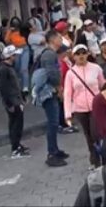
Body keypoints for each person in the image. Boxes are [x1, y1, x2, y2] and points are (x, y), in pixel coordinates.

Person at [64, 44, 105, 168]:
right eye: (78, 54)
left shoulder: (96, 68)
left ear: (87, 54)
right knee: (88, 136)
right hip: (80, 109)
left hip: (95, 106)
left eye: (83, 53)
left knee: (95, 133)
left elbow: (102, 85)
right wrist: (68, 114)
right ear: (74, 56)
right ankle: (94, 160)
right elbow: (67, 93)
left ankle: (104, 157)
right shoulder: (70, 73)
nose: (81, 56)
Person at [34, 30, 70, 167]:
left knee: (54, 122)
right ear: (53, 39)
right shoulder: (49, 54)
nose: (61, 40)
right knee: (53, 122)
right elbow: (52, 74)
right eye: (59, 37)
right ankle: (51, 153)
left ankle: (55, 149)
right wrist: (58, 87)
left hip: (51, 90)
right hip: (48, 92)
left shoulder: (50, 53)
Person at [0, 45, 30, 158]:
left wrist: (21, 96)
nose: (16, 57)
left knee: (17, 123)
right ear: (10, 56)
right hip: (12, 101)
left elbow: (15, 85)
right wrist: (9, 103)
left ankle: (17, 144)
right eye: (14, 55)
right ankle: (15, 148)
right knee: (15, 124)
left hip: (16, 99)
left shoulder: (9, 67)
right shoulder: (4, 69)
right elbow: (4, 88)